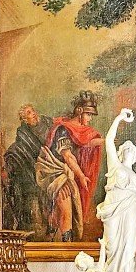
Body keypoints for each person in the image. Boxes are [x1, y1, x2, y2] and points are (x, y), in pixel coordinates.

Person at [96, 109, 136, 272]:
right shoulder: (115, 166)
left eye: (132, 149)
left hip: (130, 214)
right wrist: (119, 118)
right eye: (126, 148)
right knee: (112, 245)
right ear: (120, 153)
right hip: (113, 213)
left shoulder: (134, 176)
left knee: (129, 247)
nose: (129, 150)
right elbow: (108, 141)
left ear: (135, 156)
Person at [35, 91, 104, 241]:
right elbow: (67, 155)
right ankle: (65, 248)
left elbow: (85, 143)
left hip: (65, 174)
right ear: (79, 111)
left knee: (67, 214)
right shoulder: (63, 129)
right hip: (56, 174)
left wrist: (107, 141)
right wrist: (81, 175)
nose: (90, 119)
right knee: (66, 214)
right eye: (88, 114)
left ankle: (64, 244)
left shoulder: (75, 130)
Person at [2, 104, 49, 232]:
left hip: (50, 163)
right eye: (29, 113)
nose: (33, 113)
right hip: (31, 169)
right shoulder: (23, 134)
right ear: (24, 120)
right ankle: (30, 224)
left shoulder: (47, 125)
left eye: (33, 110)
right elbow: (19, 149)